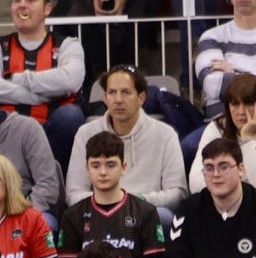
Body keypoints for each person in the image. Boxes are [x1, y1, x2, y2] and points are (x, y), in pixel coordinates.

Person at [0, 0, 86, 168]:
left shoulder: (68, 45)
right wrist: (41, 95)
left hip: (51, 130)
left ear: (47, 9)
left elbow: (69, 81)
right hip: (7, 131)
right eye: (17, 0)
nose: (22, 5)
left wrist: (15, 78)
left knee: (71, 116)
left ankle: (57, 185)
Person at [65, 66, 189, 211]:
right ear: (105, 98)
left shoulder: (166, 134)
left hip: (145, 211)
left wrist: (133, 202)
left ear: (141, 98)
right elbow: (74, 194)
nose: (118, 100)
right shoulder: (85, 133)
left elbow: (178, 193)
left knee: (162, 215)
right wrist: (107, 204)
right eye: (112, 92)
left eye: (126, 92)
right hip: (98, 213)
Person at [56, 148, 167, 258]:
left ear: (123, 167)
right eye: (95, 166)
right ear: (86, 169)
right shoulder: (72, 215)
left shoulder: (145, 211)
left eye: (110, 165)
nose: (103, 172)